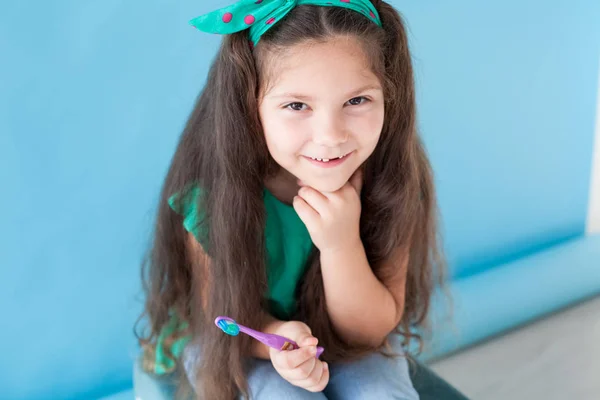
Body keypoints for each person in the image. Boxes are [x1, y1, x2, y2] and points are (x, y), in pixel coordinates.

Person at [137, 0, 445, 398]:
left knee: (381, 391)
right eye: (297, 106)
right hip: (235, 343)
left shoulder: (393, 183)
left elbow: (366, 331)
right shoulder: (212, 200)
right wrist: (276, 336)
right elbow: (218, 317)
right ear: (250, 108)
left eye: (357, 101)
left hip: (340, 339)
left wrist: (340, 244)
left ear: (391, 96)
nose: (330, 135)